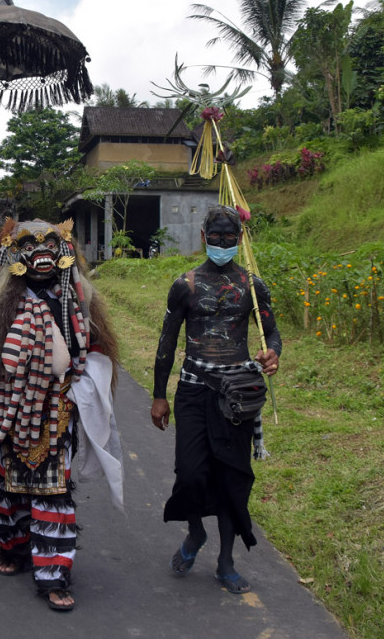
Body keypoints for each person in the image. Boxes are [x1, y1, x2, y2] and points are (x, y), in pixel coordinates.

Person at [0, 219, 123, 612]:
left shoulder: (77, 297)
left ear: (64, 252)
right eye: (30, 247)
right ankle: (12, 547)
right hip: (6, 408)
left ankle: (54, 574)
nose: (41, 255)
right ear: (14, 253)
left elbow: (93, 352)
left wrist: (82, 390)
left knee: (54, 490)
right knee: (8, 485)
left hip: (57, 408)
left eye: (50, 246)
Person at [150, 205, 281, 594]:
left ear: (239, 240)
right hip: (193, 388)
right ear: (203, 238)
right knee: (190, 472)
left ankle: (226, 561)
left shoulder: (253, 288)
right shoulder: (185, 285)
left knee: (232, 478)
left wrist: (273, 354)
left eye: (230, 237)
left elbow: (272, 333)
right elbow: (167, 342)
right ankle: (195, 534)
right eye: (216, 236)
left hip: (236, 394)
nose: (223, 243)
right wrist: (159, 395)